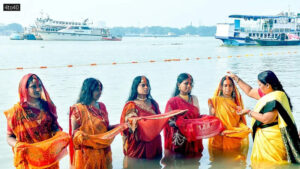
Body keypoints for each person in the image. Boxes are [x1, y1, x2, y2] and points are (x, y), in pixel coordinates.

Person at [229, 70, 300, 164]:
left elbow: (266, 119)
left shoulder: (275, 98)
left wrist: (248, 112)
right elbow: (249, 91)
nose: (259, 88)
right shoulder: (267, 94)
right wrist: (236, 78)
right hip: (263, 138)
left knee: (272, 164)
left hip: (272, 140)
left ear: (268, 85)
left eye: (259, 85)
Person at [4, 73, 68, 169]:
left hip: (48, 158)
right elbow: (9, 137)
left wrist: (59, 135)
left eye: (40, 85)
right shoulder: (16, 112)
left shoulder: (48, 106)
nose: (38, 89)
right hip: (29, 160)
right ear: (25, 89)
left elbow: (54, 126)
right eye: (33, 86)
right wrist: (18, 145)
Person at [69, 78, 121, 169]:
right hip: (87, 154)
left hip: (104, 150)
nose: (100, 92)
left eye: (101, 89)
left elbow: (106, 128)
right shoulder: (78, 109)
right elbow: (74, 135)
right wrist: (84, 137)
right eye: (97, 89)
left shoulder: (102, 106)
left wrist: (120, 126)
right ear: (89, 90)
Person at [208, 76, 250, 161]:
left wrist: (241, 130)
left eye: (230, 85)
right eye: (225, 85)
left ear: (233, 87)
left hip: (233, 137)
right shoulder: (214, 101)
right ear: (221, 87)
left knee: (234, 161)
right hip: (219, 136)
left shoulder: (237, 101)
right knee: (217, 162)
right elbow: (211, 119)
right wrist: (219, 131)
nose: (228, 88)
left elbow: (241, 120)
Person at [120, 76, 162, 160]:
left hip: (154, 142)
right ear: (136, 87)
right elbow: (127, 127)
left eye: (147, 85)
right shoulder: (131, 105)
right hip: (138, 144)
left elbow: (160, 119)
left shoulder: (153, 103)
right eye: (143, 85)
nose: (146, 87)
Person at [163, 73, 203, 157]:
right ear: (178, 85)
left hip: (192, 137)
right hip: (179, 138)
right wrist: (179, 123)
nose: (189, 86)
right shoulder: (172, 101)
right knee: (179, 161)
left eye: (190, 84)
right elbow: (168, 122)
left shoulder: (194, 99)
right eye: (186, 83)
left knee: (194, 162)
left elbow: (197, 116)